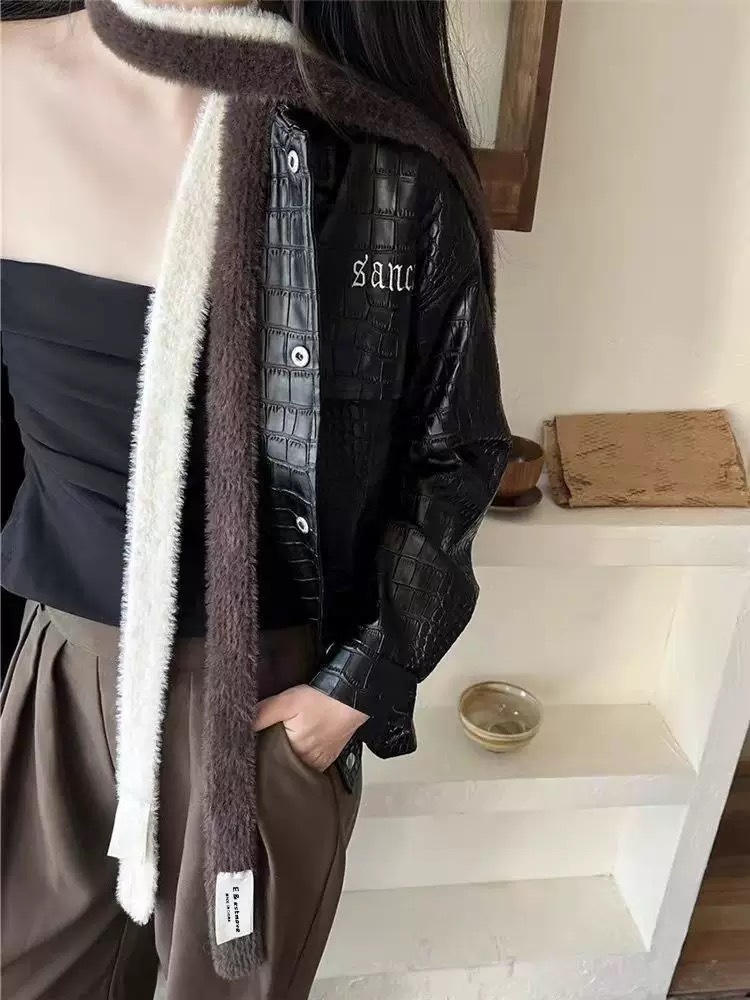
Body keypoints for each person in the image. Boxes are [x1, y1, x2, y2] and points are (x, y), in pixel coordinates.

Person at [0, 1, 511, 998]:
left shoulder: (385, 165)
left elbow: (458, 453)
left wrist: (355, 684)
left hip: (266, 709)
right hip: (59, 682)